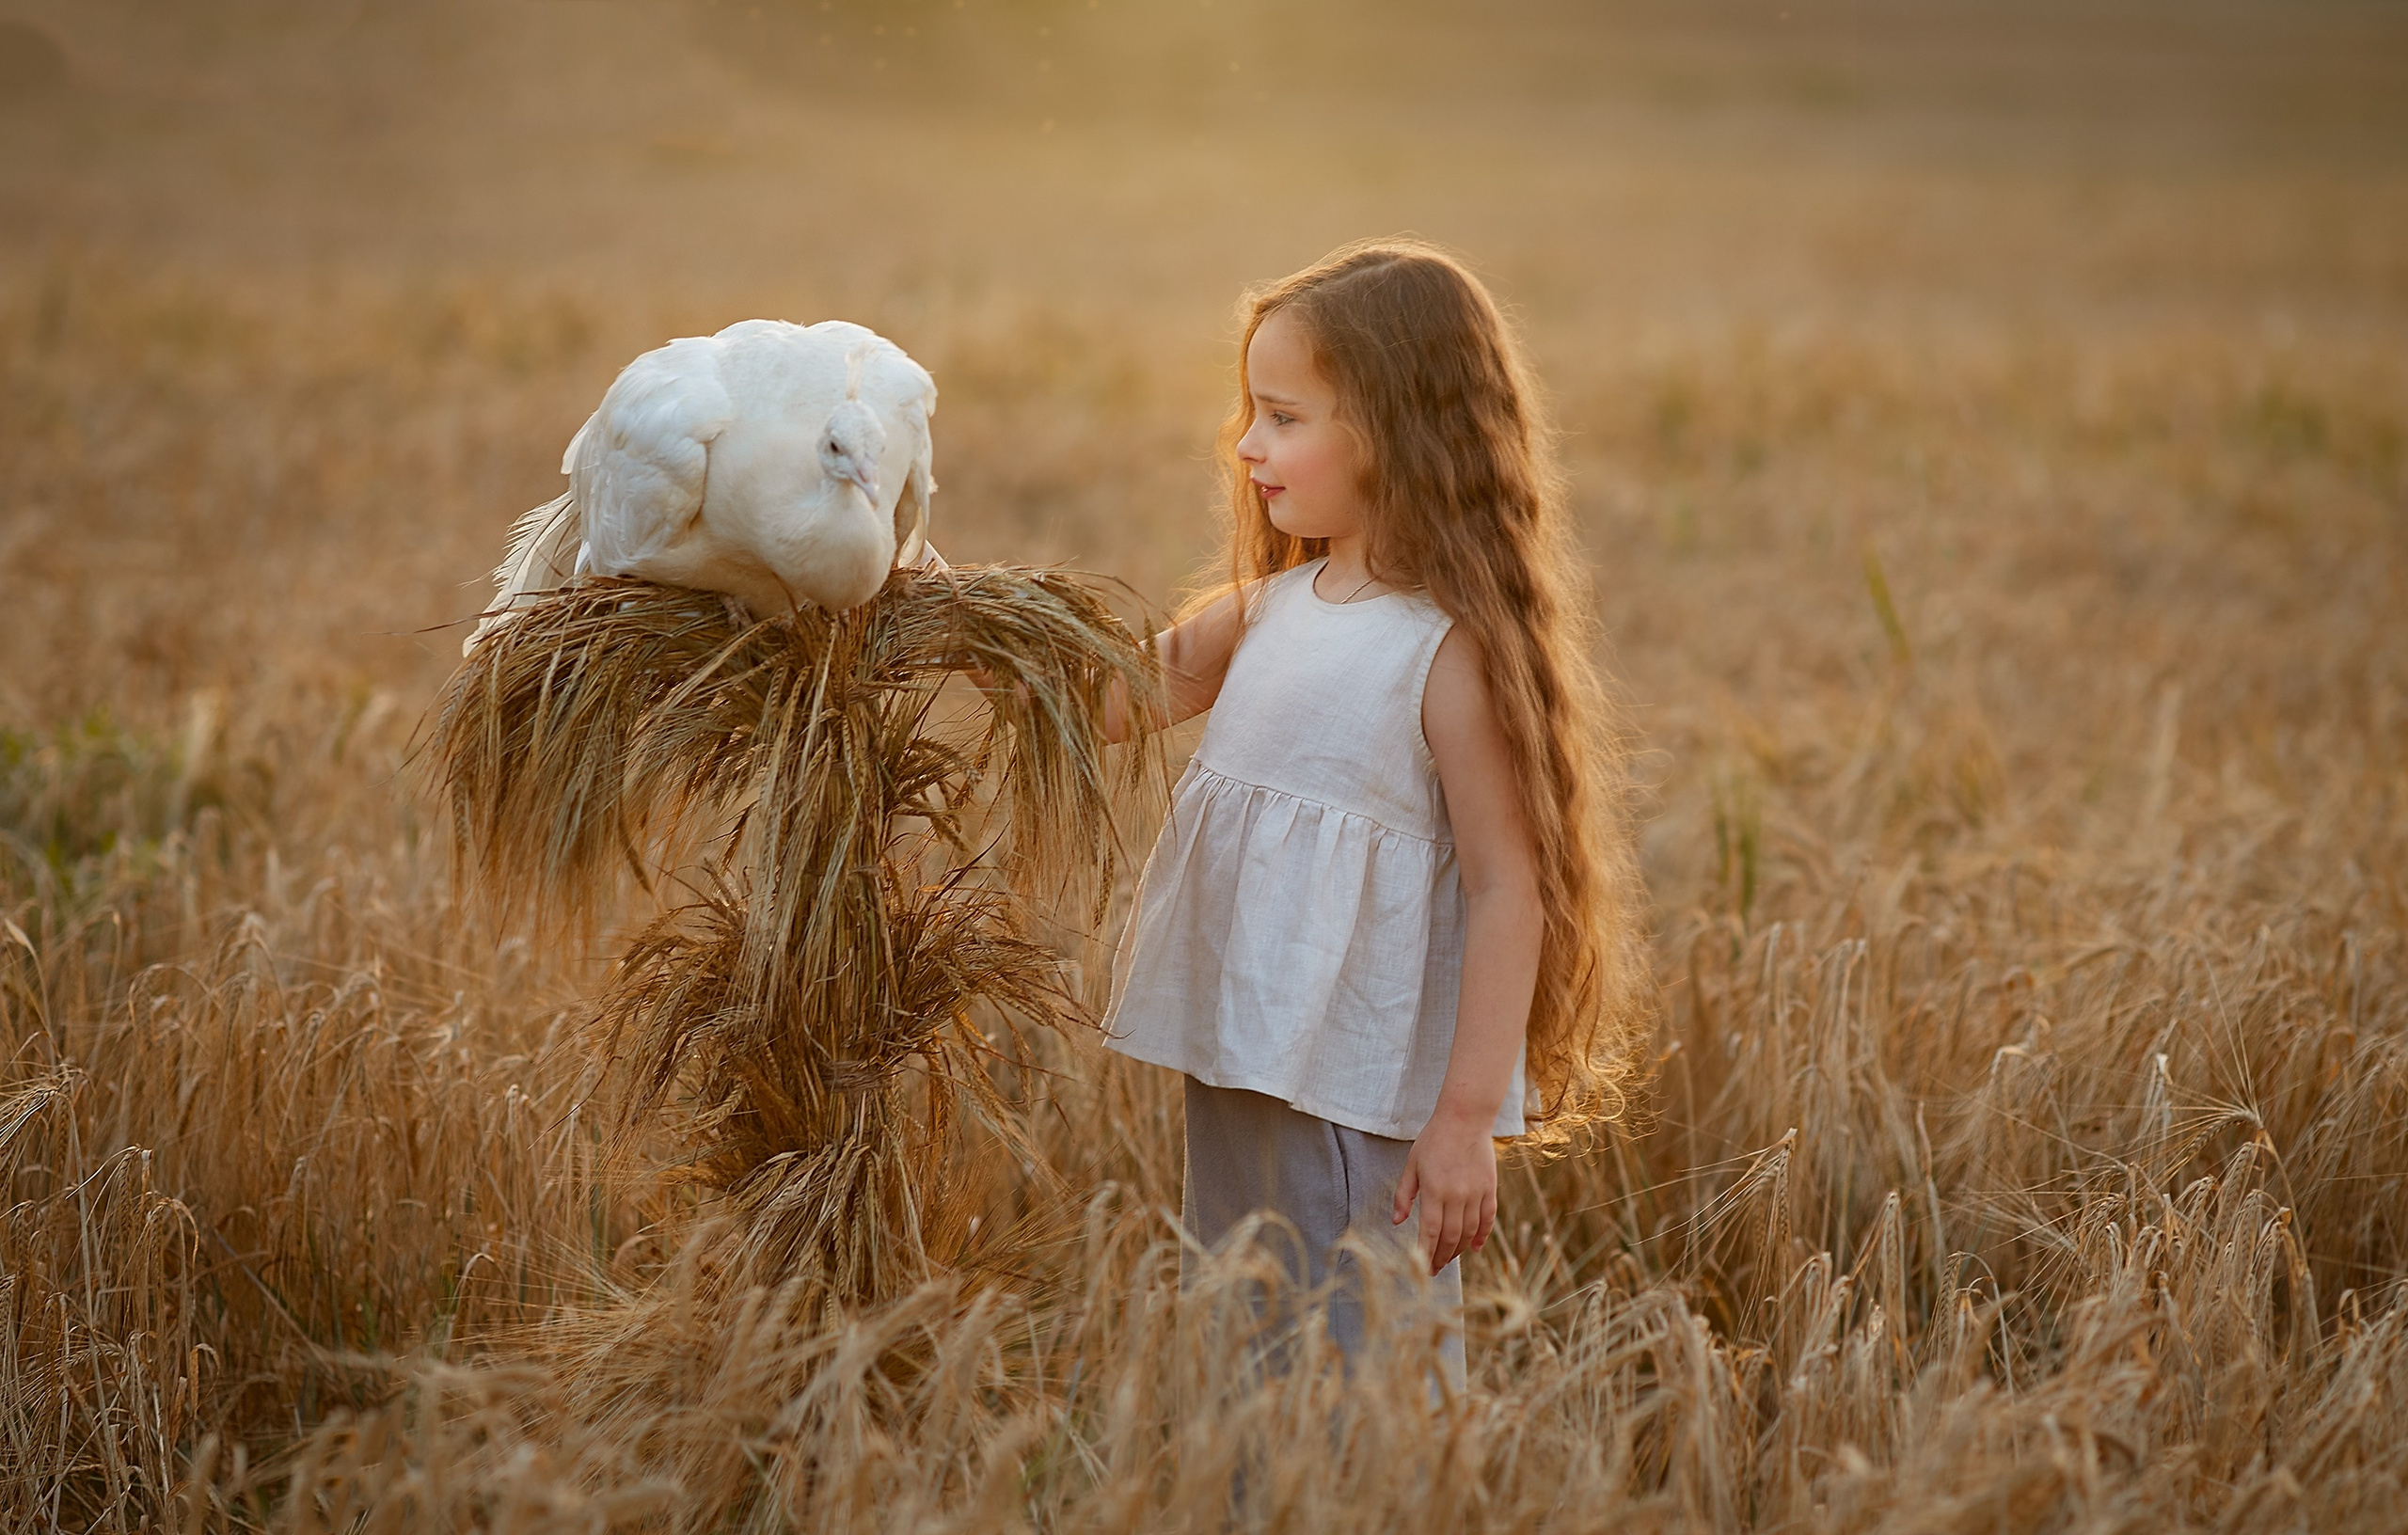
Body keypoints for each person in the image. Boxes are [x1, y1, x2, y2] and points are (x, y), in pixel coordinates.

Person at [1097, 238, 1650, 1388]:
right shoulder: (1266, 608)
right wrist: (926, 604)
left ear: (1397, 432)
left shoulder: (1442, 653)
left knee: (1357, 1360)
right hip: (1238, 1047)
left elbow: (1512, 887)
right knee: (1242, 1339)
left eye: (1284, 416)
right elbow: (1092, 700)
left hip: (1351, 1081)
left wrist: (1460, 1124)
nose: (1248, 443)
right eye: (1251, 411)